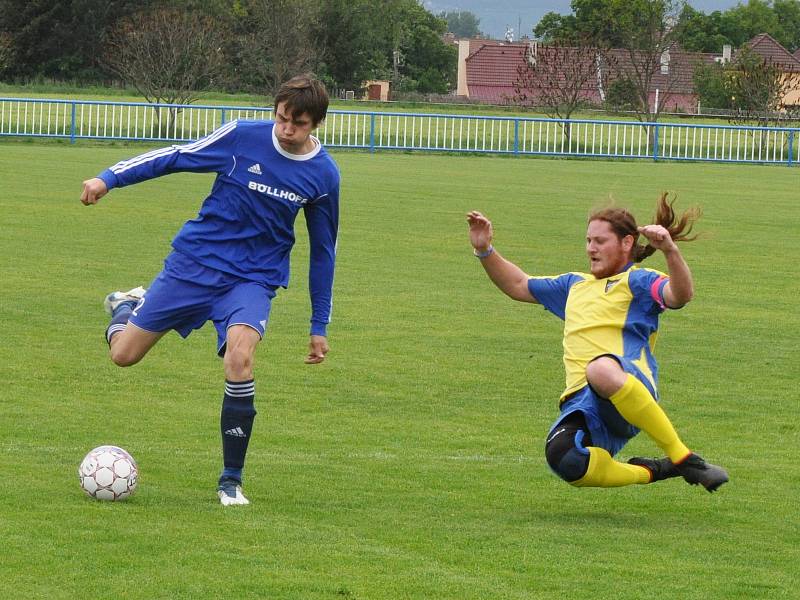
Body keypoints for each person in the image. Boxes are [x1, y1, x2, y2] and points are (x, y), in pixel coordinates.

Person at [80, 74, 340, 506]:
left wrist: (319, 324)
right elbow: (178, 156)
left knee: (240, 357)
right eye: (280, 118)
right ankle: (127, 307)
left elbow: (323, 253)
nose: (286, 128)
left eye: (297, 123)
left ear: (316, 125)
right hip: (195, 265)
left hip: (252, 280)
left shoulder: (324, 176)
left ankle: (230, 480)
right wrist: (109, 178)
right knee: (122, 356)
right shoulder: (242, 136)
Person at [466, 194, 728, 492]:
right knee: (564, 458)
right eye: (589, 240)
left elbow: (681, 295)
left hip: (626, 384)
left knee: (600, 370)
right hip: (582, 401)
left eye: (600, 241)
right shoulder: (573, 286)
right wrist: (485, 250)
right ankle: (656, 471)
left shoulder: (638, 282)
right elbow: (517, 284)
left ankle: (684, 458)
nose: (591, 248)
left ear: (626, 243)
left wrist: (670, 250)